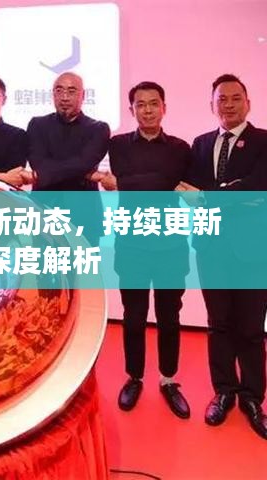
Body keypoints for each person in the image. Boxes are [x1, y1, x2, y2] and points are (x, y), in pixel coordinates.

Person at [177, 74, 267, 439]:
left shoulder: (263, 141)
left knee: (251, 328)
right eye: (221, 99)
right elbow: (186, 190)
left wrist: (211, 196)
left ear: (248, 102)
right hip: (210, 248)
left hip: (253, 250)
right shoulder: (200, 144)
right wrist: (231, 196)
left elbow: (257, 187)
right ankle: (224, 391)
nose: (228, 104)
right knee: (218, 324)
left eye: (235, 98)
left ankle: (253, 398)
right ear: (211, 105)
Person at [105, 81, 192, 419]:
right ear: (131, 110)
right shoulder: (118, 145)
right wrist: (151, 183)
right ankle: (134, 377)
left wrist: (125, 184)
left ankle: (169, 380)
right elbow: (156, 182)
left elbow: (166, 182)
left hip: (171, 245)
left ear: (164, 107)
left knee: (170, 316)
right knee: (133, 316)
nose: (147, 110)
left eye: (154, 103)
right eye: (140, 105)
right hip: (132, 245)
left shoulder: (181, 148)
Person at [27, 72, 110, 246]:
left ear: (83, 95)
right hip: (44, 211)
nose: (64, 97)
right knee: (43, 263)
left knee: (84, 263)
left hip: (84, 214)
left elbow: (85, 162)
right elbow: (38, 163)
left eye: (71, 91)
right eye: (59, 91)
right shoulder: (37, 125)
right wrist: (83, 173)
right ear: (53, 94)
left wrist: (45, 174)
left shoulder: (98, 128)